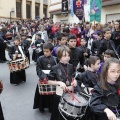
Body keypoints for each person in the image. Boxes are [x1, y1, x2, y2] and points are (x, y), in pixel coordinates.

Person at [47, 45, 77, 120]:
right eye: (64, 56)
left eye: (68, 55)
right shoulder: (55, 67)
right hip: (59, 95)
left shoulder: (70, 66)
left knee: (69, 114)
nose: (67, 57)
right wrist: (59, 83)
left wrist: (75, 81)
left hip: (70, 93)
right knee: (58, 115)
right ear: (59, 57)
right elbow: (48, 81)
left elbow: (73, 77)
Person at [33, 42, 57, 113]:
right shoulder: (40, 58)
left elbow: (56, 69)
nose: (45, 53)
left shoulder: (55, 59)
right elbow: (38, 69)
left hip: (51, 79)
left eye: (47, 51)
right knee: (42, 95)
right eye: (44, 51)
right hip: (42, 78)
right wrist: (43, 77)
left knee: (51, 95)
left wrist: (51, 76)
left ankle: (51, 107)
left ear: (51, 51)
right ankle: (41, 107)